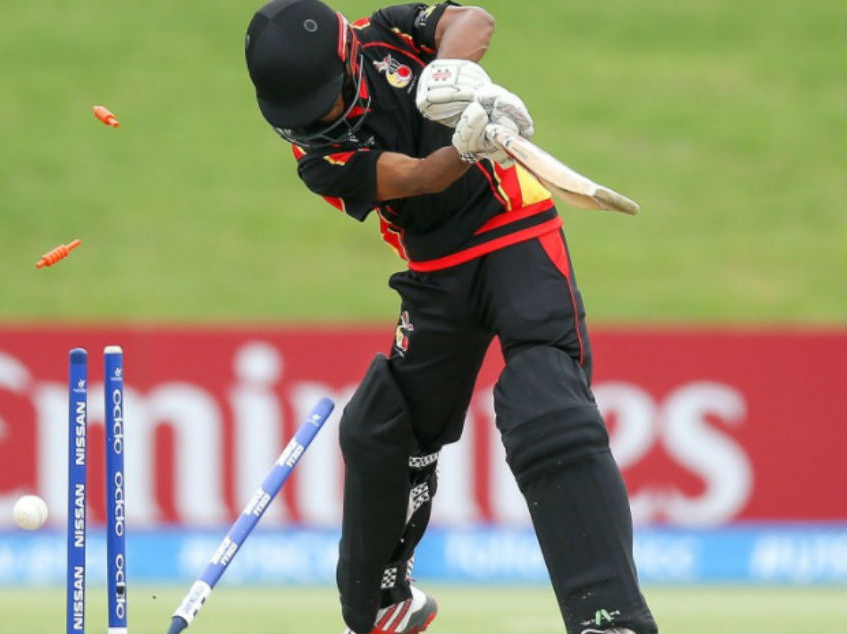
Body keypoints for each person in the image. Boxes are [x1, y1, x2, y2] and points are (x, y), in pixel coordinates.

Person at [244, 2, 658, 633]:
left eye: (321, 103)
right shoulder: (318, 161)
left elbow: (473, 20)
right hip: (437, 271)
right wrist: (466, 144)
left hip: (515, 231)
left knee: (544, 400)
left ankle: (610, 617)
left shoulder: (386, 32)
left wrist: (449, 73)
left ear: (348, 58)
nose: (315, 121)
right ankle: (382, 604)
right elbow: (416, 177)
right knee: (380, 428)